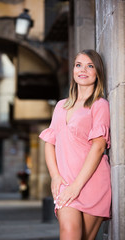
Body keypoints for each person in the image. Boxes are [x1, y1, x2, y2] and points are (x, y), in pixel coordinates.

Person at [39, 49, 111, 240]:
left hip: (91, 182)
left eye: (90, 66)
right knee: (69, 233)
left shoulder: (99, 104)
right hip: (65, 183)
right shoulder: (61, 106)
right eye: (78, 65)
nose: (83, 70)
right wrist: (55, 177)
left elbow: (98, 147)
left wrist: (77, 186)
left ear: (98, 73)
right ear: (73, 70)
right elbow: (49, 143)